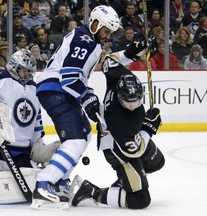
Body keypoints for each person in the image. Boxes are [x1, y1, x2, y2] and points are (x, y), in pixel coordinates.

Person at [31, 5, 146, 209]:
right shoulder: (85, 40)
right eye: (105, 30)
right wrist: (86, 96)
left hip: (58, 90)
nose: (107, 35)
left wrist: (130, 53)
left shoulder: (88, 39)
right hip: (58, 90)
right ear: (95, 24)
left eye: (110, 32)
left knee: (84, 136)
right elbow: (68, 77)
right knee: (76, 139)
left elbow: (103, 63)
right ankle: (44, 184)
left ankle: (60, 181)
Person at [71, 51, 165, 210]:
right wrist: (149, 128)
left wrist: (130, 51)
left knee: (157, 162)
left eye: (136, 100)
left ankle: (127, 181)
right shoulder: (119, 121)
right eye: (129, 102)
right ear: (121, 98)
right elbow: (134, 150)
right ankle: (91, 192)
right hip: (117, 148)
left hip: (129, 137)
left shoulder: (119, 77)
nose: (133, 105)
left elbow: (109, 60)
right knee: (140, 200)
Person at [0, 49, 60, 171]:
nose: (28, 76)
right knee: (1, 170)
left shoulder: (34, 89)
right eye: (24, 71)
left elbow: (35, 123)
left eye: (30, 73)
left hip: (20, 153)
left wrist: (37, 145)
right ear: (15, 66)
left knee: (35, 175)